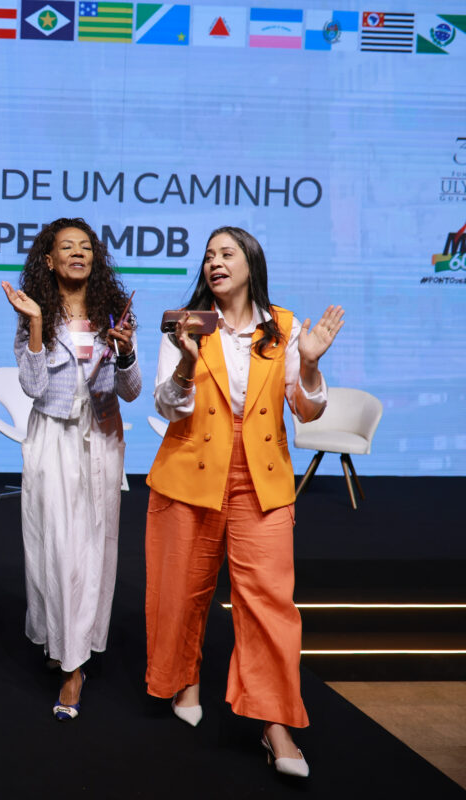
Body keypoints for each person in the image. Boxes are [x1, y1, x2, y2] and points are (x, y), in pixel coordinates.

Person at [145, 226, 344, 777]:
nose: (214, 262)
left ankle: (276, 725)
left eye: (226, 253)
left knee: (270, 604)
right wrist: (186, 360)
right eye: (208, 256)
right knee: (181, 587)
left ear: (251, 263)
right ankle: (184, 680)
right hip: (188, 473)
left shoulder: (282, 327)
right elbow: (168, 406)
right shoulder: (182, 324)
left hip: (262, 478)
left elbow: (307, 412)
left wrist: (308, 364)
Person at [0, 218, 141, 721]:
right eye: (67, 247)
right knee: (57, 547)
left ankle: (77, 653)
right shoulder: (32, 314)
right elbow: (35, 388)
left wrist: (124, 352)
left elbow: (130, 391)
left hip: (102, 439)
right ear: (49, 260)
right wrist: (37, 324)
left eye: (85, 247)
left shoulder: (113, 313)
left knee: (93, 548)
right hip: (53, 439)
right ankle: (66, 653)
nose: (77, 254)